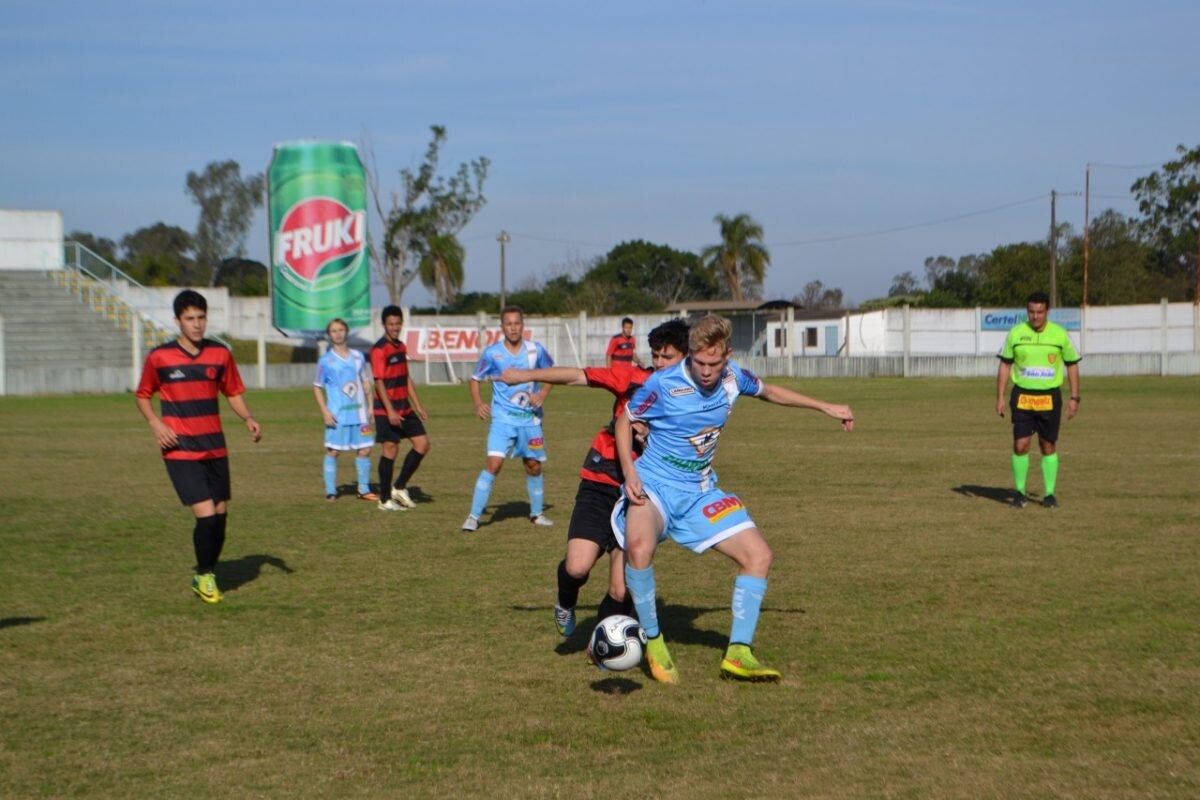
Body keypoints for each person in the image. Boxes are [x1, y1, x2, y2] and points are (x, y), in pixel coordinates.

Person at [615, 314, 854, 683]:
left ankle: (739, 654)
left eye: (714, 363)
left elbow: (770, 391)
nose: (707, 371)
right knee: (639, 548)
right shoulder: (662, 383)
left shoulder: (733, 378)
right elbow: (624, 419)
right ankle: (655, 641)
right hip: (655, 485)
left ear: (727, 356)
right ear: (689, 355)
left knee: (759, 555)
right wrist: (630, 472)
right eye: (699, 362)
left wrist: (826, 406)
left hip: (700, 491)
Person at [499, 318, 691, 639]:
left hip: (641, 494)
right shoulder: (631, 377)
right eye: (655, 355)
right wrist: (524, 375)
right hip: (601, 480)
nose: (658, 363)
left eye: (666, 357)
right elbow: (576, 375)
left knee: (620, 590)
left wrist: (651, 439)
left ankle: (602, 645)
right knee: (577, 567)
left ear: (686, 357)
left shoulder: (690, 400)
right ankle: (564, 601)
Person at [134, 290, 262, 604]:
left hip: (215, 447)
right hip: (180, 448)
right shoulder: (160, 357)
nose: (197, 324)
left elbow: (232, 391)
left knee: (220, 516)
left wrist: (247, 417)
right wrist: (156, 424)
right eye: (189, 319)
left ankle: (206, 570)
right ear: (178, 321)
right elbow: (142, 394)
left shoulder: (220, 354)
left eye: (201, 317)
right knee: (206, 515)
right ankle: (204, 575)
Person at [462, 306, 555, 531]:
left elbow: (552, 372)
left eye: (517, 323)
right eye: (508, 324)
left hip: (529, 420)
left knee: (533, 466)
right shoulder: (492, 353)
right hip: (502, 419)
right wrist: (479, 404)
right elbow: (475, 379)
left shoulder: (535, 350)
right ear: (502, 327)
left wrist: (542, 393)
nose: (513, 328)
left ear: (523, 326)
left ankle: (536, 514)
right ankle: (473, 517)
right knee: (494, 465)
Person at [995, 291, 1081, 509]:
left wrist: (1074, 398)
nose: (1035, 316)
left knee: (1048, 445)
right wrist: (1000, 397)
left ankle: (1049, 494)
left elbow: (1072, 364)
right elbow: (1005, 364)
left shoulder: (1060, 335)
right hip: (1022, 396)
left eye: (1040, 312)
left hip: (1049, 397)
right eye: (1031, 312)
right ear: (1027, 311)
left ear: (1047, 312)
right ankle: (1020, 492)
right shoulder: (1016, 334)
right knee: (1020, 444)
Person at [370, 305, 430, 512]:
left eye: (398, 324)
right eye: (391, 324)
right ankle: (385, 499)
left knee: (422, 444)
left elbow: (406, 377)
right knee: (390, 449)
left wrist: (418, 405)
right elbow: (378, 382)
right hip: (386, 409)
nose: (395, 328)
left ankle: (399, 487)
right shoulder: (379, 349)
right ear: (384, 325)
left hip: (404, 407)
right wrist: (390, 411)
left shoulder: (401, 347)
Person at [313, 318, 376, 502]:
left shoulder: (358, 356)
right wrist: (325, 411)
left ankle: (363, 490)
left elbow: (365, 382)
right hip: (338, 415)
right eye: (334, 330)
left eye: (341, 329)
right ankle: (331, 491)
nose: (338, 333)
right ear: (329, 335)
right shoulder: (325, 361)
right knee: (333, 451)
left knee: (365, 449)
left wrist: (371, 406)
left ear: (347, 332)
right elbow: (317, 386)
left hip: (360, 413)